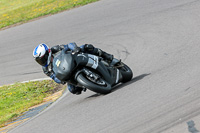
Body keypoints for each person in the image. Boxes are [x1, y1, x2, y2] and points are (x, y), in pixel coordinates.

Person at [33, 42, 114, 95]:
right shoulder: (46, 69)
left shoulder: (56, 49)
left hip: (72, 59)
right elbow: (54, 77)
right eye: (39, 61)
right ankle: (88, 83)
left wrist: (75, 48)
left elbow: (68, 45)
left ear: (48, 52)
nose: (42, 62)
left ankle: (106, 56)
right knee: (72, 89)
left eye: (42, 59)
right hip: (67, 73)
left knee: (87, 47)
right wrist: (60, 79)